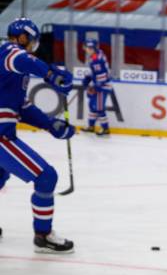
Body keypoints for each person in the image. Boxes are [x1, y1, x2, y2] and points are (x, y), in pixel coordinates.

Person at [0, 17, 75, 253]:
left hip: (4, 132)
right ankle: (43, 236)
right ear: (22, 37)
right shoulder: (8, 51)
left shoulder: (15, 73)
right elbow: (24, 59)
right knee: (46, 177)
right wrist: (51, 74)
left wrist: (51, 125)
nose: (32, 46)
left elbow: (22, 107)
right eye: (30, 41)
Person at [81, 39, 112, 136]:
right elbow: (93, 72)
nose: (88, 49)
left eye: (91, 48)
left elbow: (103, 74)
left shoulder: (97, 59)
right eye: (87, 47)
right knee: (92, 106)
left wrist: (96, 84)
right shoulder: (94, 57)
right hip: (97, 86)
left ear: (94, 48)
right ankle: (91, 126)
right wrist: (87, 78)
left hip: (102, 87)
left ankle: (105, 128)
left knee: (99, 108)